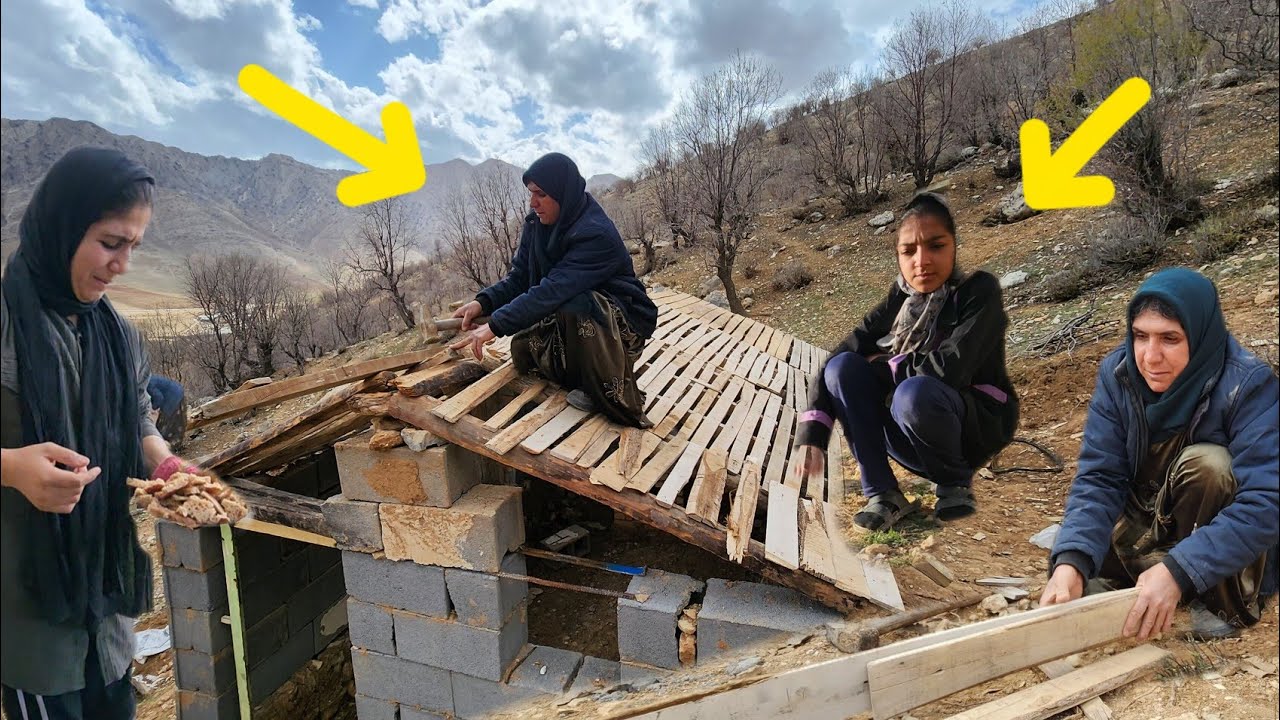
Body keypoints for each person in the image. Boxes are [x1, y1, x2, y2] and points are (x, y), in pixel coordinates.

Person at [1, 147, 206, 719]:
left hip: (104, 598)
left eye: (134, 247)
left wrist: (165, 463)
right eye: (111, 243)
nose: (123, 265)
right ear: (63, 227)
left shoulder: (117, 333)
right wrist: (12, 469)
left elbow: (136, 413)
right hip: (28, 609)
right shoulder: (7, 324)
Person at [1042, 268, 1278, 641]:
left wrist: (1179, 570)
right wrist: (1071, 560)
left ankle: (1216, 599)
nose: (1151, 357)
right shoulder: (1118, 375)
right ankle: (1130, 575)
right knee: (1077, 549)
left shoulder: (1249, 385)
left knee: (1211, 465)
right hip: (1146, 511)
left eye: (1170, 338)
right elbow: (1100, 476)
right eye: (1140, 336)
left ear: (1199, 336)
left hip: (1212, 532)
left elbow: (1267, 500)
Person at [794, 192, 1018, 530]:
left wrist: (885, 366)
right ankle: (883, 494)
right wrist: (813, 433)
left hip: (973, 434)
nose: (922, 261)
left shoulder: (977, 292)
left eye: (936, 246)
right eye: (909, 251)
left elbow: (950, 368)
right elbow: (834, 361)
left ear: (954, 246)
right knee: (843, 369)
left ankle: (954, 485)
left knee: (913, 392)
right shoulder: (899, 300)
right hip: (911, 436)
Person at [450, 152, 658, 427]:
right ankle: (581, 373)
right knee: (524, 350)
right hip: (573, 319)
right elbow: (520, 278)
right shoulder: (537, 225)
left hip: (619, 326)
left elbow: (553, 289)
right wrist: (483, 303)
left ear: (563, 193)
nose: (532, 202)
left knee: (579, 302)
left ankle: (603, 389)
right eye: (531, 193)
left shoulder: (596, 233)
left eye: (541, 194)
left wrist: (496, 325)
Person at [147, 374, 187, 450]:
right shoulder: (148, 379)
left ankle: (169, 446)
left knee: (168, 424)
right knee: (177, 423)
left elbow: (159, 398)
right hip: (178, 393)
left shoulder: (148, 384)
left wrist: (153, 409)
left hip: (172, 398)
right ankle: (175, 444)